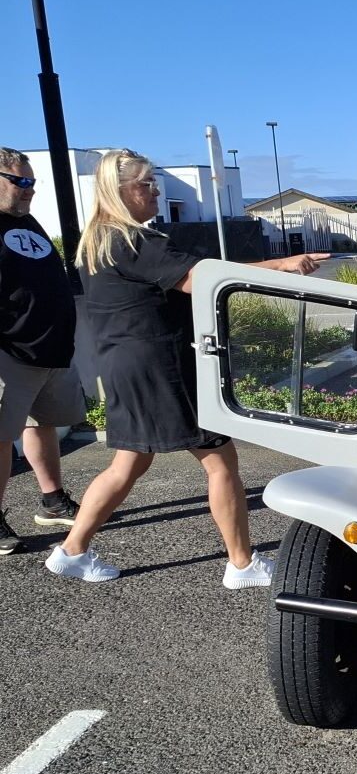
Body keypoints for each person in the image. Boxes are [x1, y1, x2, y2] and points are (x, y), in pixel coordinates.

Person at [45, 149, 329, 583]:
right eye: (145, 183)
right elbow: (201, 279)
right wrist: (280, 265)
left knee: (130, 463)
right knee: (219, 460)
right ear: (119, 191)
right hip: (161, 364)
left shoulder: (98, 241)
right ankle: (242, 564)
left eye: (154, 181)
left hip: (125, 366)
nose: (155, 190)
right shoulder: (135, 240)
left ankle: (72, 549)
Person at [0, 147, 85, 556]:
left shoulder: (27, 222)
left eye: (32, 181)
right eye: (21, 181)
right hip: (9, 352)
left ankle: (53, 501)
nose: (30, 189)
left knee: (42, 424)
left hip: (49, 349)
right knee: (1, 437)